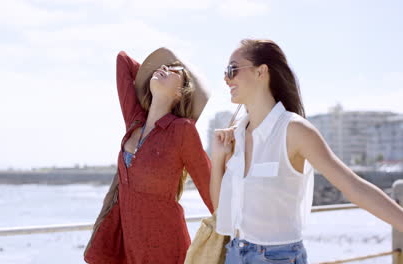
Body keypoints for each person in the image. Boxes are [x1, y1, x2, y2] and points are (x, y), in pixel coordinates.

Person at [210, 39, 403, 264]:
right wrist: (218, 159)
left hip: (278, 258)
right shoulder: (236, 136)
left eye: (232, 70)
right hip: (234, 254)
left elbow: (353, 186)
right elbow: (221, 212)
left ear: (261, 71)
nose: (226, 78)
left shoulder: (294, 130)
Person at [84, 48, 214, 264]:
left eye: (175, 71)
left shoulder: (182, 130)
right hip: (130, 252)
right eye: (162, 66)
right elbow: (122, 61)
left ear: (180, 93)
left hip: (167, 250)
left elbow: (210, 189)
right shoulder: (135, 120)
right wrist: (153, 73)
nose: (164, 68)